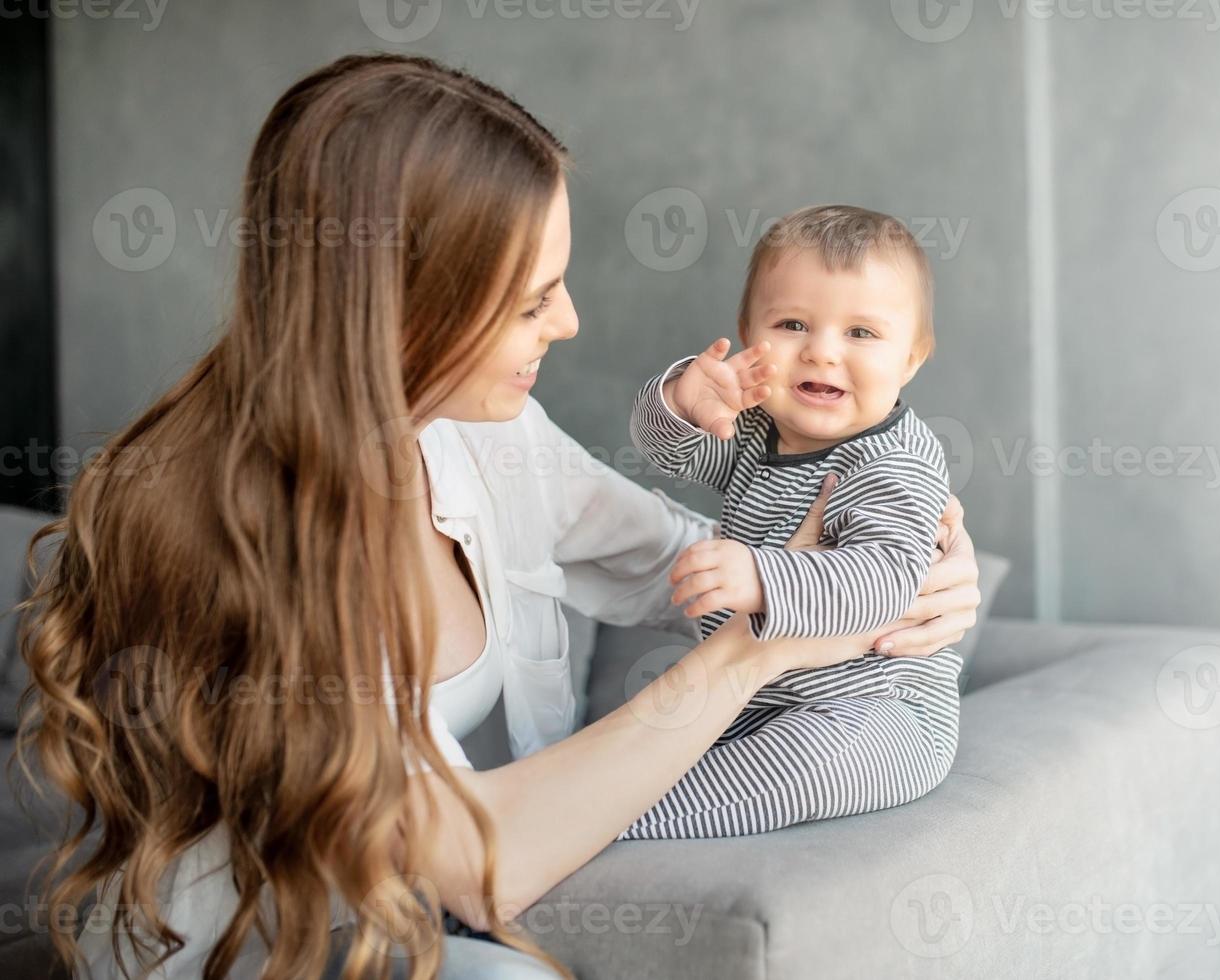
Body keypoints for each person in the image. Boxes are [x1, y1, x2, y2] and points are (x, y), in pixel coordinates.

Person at [16, 54, 982, 980]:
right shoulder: (263, 536)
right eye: (532, 303)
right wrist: (761, 646)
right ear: (402, 309)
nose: (569, 324)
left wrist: (903, 582)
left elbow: (682, 564)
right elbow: (473, 869)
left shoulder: (488, 438)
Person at [619, 205, 962, 840]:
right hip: (748, 696)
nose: (822, 353)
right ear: (749, 334)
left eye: (861, 333)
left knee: (814, 761)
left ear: (911, 359)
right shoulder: (757, 428)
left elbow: (882, 583)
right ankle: (606, 797)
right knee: (645, 731)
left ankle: (621, 820)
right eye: (793, 324)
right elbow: (670, 451)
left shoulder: (893, 461)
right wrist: (681, 405)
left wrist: (762, 577)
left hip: (872, 707)